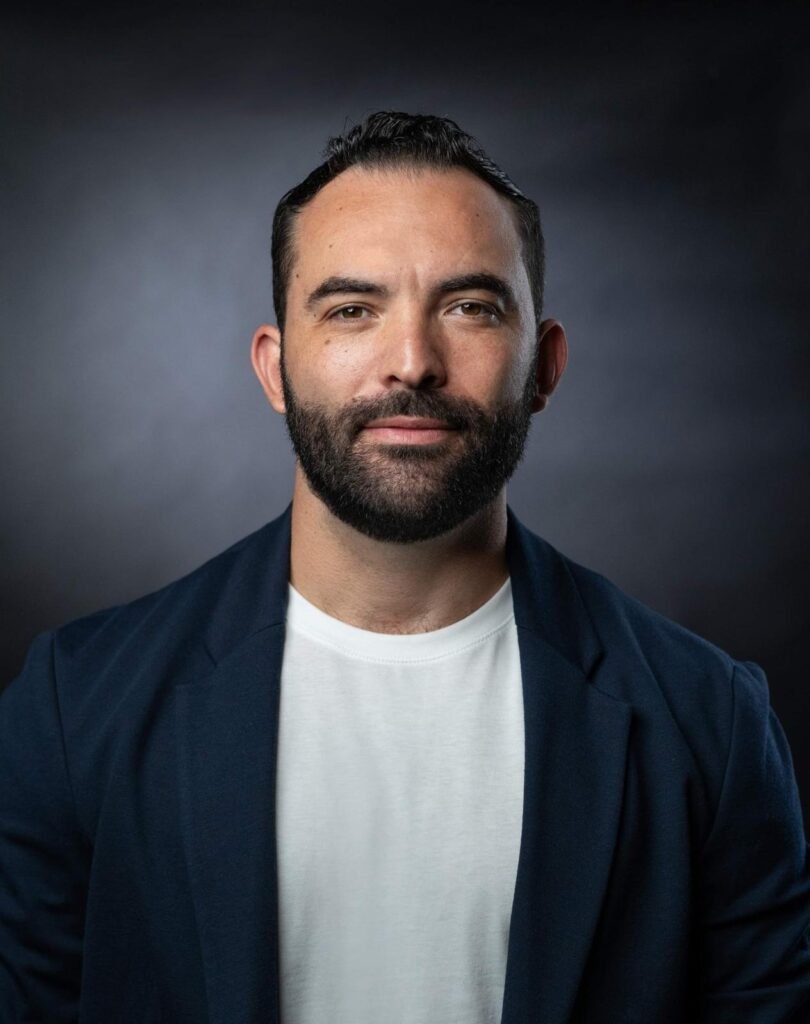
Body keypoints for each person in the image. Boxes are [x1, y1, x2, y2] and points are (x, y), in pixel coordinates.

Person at [1, 111, 808, 1024]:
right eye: (352, 309)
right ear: (275, 369)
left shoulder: (709, 725)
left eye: (470, 307)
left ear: (543, 368)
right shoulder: (75, 711)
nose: (413, 363)